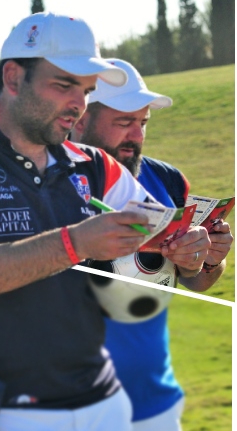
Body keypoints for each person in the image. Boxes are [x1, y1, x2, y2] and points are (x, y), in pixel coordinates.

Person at [0, 12, 210, 431]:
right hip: (0, 411)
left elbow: (162, 231)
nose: (78, 105)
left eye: (86, 90)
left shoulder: (93, 163)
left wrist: (189, 247)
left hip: (107, 404)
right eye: (63, 85)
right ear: (12, 78)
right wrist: (76, 243)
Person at [70, 58, 233, 431]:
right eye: (124, 122)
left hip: (152, 402)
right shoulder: (42, 184)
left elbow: (193, 280)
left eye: (143, 122)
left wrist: (202, 261)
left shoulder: (167, 180)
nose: (137, 136)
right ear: (80, 119)